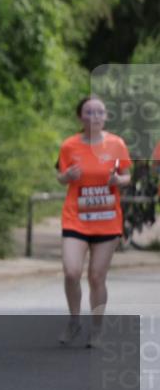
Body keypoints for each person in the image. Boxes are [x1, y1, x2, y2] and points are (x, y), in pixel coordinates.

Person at [55, 96, 132, 348]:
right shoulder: (69, 145)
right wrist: (67, 176)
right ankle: (74, 320)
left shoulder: (116, 144)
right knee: (71, 272)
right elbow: (60, 176)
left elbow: (126, 176)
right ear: (80, 117)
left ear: (106, 117)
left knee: (97, 277)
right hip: (76, 218)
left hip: (107, 220)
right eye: (89, 112)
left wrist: (117, 181)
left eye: (100, 112)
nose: (95, 116)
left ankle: (97, 329)